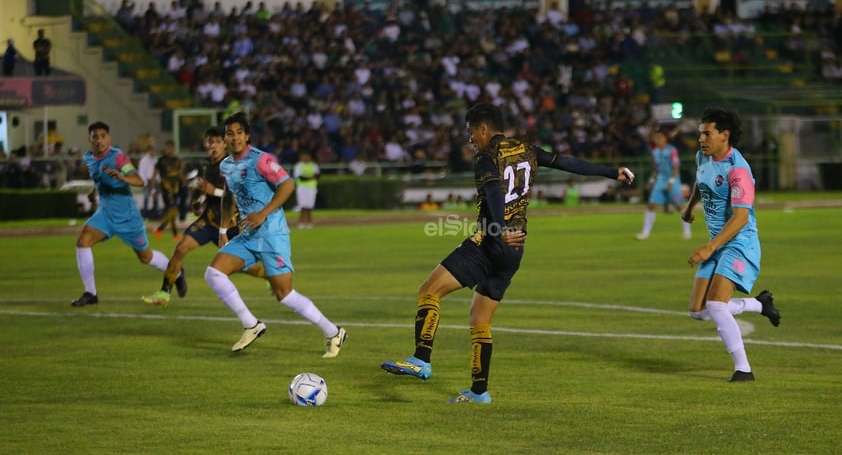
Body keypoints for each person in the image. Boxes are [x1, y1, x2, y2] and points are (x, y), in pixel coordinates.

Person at [381, 103, 635, 403]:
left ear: (484, 128)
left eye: (470, 131)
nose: (470, 138)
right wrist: (611, 172)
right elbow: (566, 162)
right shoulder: (526, 148)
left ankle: (420, 359)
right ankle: (479, 392)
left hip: (492, 241)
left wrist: (498, 229)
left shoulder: (486, 158)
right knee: (479, 319)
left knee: (429, 290)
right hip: (517, 247)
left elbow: (494, 193)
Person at [204, 112, 347, 356]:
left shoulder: (261, 160)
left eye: (240, 132)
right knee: (214, 273)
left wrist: (262, 213)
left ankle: (333, 332)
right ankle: (251, 324)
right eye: (230, 133)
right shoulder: (226, 165)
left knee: (284, 294)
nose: (235, 137)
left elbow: (288, 185)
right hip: (248, 235)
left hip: (272, 233)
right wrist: (223, 228)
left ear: (247, 136)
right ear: (224, 139)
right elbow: (229, 196)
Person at [681, 107, 781, 382]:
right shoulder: (703, 156)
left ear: (725, 135)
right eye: (701, 133)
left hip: (740, 244)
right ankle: (760, 305)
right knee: (698, 312)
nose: (701, 138)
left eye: (707, 133)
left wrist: (708, 248)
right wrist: (690, 207)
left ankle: (743, 369)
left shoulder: (739, 170)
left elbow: (740, 218)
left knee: (715, 305)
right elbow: (701, 182)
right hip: (717, 243)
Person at [142, 126, 264, 307]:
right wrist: (198, 203)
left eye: (217, 141)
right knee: (181, 248)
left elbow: (237, 195)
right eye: (210, 141)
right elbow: (205, 192)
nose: (213, 145)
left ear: (225, 144)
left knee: (244, 266)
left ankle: (270, 274)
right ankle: (164, 293)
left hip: (230, 225)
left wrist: (212, 191)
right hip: (208, 221)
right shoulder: (207, 165)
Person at [70, 121, 180, 306]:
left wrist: (122, 177)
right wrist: (94, 193)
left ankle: (177, 272)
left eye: (103, 136)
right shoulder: (89, 158)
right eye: (95, 136)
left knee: (145, 257)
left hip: (127, 217)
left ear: (109, 138)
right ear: (89, 139)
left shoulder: (119, 158)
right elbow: (99, 179)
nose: (99, 140)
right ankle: (91, 293)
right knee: (83, 241)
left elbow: (139, 181)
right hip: (105, 214)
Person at [635, 128, 692, 241]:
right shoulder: (655, 152)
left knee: (679, 206)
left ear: (665, 138)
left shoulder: (672, 150)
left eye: (660, 137)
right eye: (656, 137)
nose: (657, 139)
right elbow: (657, 168)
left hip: (673, 180)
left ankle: (687, 232)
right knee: (651, 205)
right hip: (661, 180)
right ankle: (645, 233)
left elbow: (676, 167)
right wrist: (652, 180)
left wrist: (671, 182)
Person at [153, 140, 186, 241]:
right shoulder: (161, 160)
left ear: (173, 148)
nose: (169, 150)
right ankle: (169, 233)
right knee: (173, 210)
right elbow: (154, 174)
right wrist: (154, 190)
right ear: (165, 149)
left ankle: (165, 232)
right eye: (168, 148)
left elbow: (179, 173)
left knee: (171, 211)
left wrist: (186, 182)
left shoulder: (177, 160)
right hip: (166, 188)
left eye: (171, 148)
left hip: (176, 188)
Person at [293, 150, 319, 228]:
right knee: (302, 206)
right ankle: (301, 222)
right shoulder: (298, 166)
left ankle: (309, 222)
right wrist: (310, 177)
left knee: (309, 206)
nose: (305, 158)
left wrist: (307, 177)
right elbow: (300, 177)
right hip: (302, 188)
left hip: (311, 187)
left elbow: (317, 175)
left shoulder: (314, 165)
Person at [137, 144, 160, 218]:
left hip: (155, 182)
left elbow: (158, 171)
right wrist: (144, 182)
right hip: (148, 181)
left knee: (155, 197)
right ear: (148, 151)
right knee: (146, 197)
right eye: (151, 150)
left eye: (154, 151)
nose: (153, 152)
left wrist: (159, 180)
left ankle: (155, 212)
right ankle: (144, 213)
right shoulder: (144, 161)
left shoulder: (156, 160)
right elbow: (142, 172)